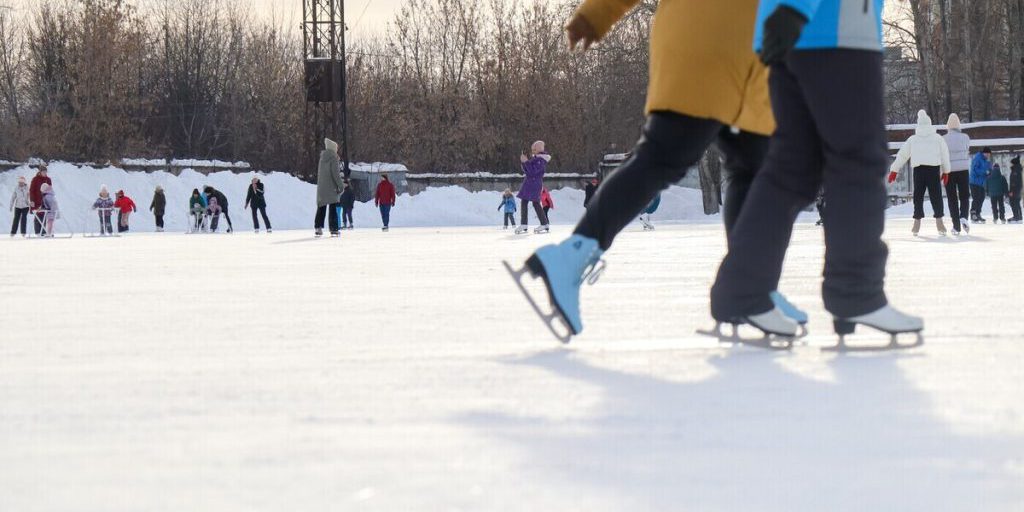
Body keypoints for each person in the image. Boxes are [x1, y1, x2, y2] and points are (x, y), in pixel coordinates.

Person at [513, 0, 790, 338]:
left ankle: (747, 290)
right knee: (663, 156)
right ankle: (570, 257)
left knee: (754, 168)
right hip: (708, 40)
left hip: (750, 58)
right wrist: (597, 13)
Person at [710, 0, 922, 339]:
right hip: (837, 29)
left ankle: (742, 290)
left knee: (792, 169)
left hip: (795, 33)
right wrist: (796, 6)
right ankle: (855, 291)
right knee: (858, 162)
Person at [888, 110, 951, 236]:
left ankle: (916, 223)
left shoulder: (913, 139)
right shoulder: (938, 138)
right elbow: (945, 156)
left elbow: (902, 155)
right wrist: (946, 171)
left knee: (918, 196)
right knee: (936, 196)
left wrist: (894, 169)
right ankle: (939, 222)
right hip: (933, 170)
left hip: (919, 171)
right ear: (930, 124)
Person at [943, 113, 972, 234]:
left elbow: (942, 156)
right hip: (963, 169)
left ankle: (956, 226)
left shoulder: (943, 139)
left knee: (952, 198)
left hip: (949, 170)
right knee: (965, 195)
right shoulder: (965, 137)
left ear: (948, 126)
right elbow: (967, 149)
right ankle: (964, 215)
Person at [514, 141, 551, 234]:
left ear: (538, 149)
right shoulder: (537, 159)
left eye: (534, 149)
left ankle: (525, 224)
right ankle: (543, 223)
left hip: (533, 183)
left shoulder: (540, 160)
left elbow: (532, 171)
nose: (532, 151)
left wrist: (525, 161)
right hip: (532, 183)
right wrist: (524, 162)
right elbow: (528, 170)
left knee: (529, 202)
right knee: (533, 203)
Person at [314, 138, 344, 237]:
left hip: (322, 188)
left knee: (321, 208)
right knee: (333, 208)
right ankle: (334, 229)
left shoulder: (322, 158)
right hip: (332, 188)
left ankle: (318, 227)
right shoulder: (333, 158)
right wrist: (341, 186)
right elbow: (336, 174)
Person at [970, 148, 993, 223]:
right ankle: (973, 214)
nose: (988, 155)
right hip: (974, 182)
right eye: (987, 154)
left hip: (982, 183)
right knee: (976, 198)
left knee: (981, 198)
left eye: (989, 154)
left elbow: (988, 170)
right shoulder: (977, 158)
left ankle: (978, 213)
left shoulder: (986, 160)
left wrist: (990, 171)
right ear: (983, 153)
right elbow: (975, 169)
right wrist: (985, 172)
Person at [29, 165, 51, 235]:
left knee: (44, 216)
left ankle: (43, 231)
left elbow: (50, 190)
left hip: (45, 201)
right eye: (43, 171)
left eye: (45, 171)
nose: (44, 173)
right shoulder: (35, 179)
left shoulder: (48, 179)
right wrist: (32, 200)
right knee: (38, 215)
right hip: (36, 201)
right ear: (40, 172)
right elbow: (31, 190)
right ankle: (38, 232)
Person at [1009, 156, 1023, 223]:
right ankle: (1018, 216)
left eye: (1011, 163)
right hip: (1017, 189)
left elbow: (1014, 182)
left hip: (1015, 189)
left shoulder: (1015, 170)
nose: (1010, 164)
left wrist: (1011, 191)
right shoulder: (1016, 169)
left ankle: (1016, 216)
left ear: (1014, 164)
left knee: (1014, 202)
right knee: (1016, 202)